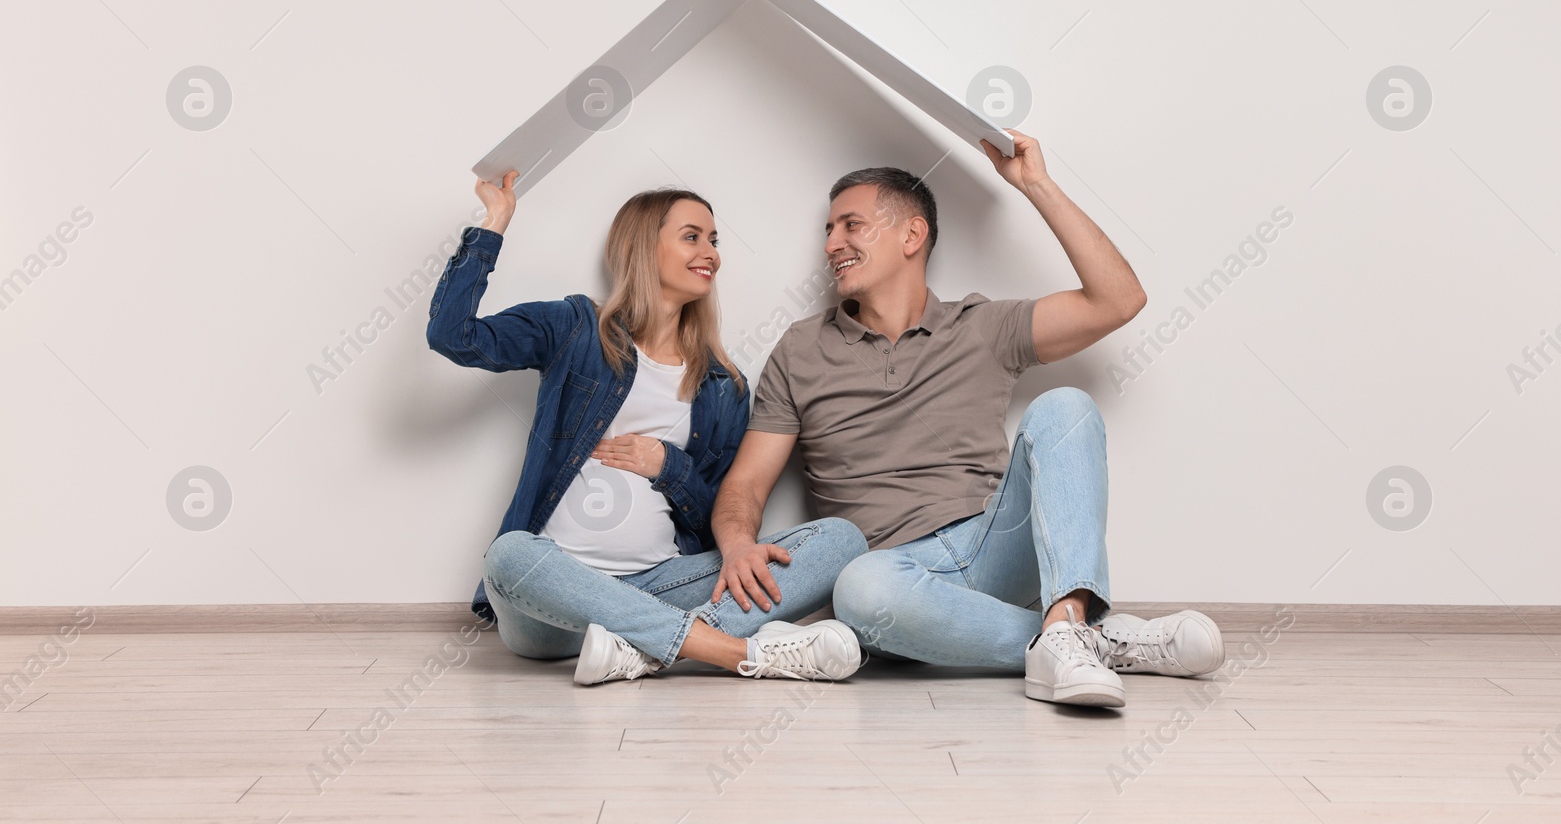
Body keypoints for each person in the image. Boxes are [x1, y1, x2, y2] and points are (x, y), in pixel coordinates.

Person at [709, 132, 1225, 707]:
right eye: (827, 231)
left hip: (995, 544)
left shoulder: (981, 325)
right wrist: (735, 544)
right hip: (894, 577)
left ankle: (1069, 621)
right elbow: (747, 483)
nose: (832, 244)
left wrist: (1037, 185)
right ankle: (1080, 642)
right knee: (857, 585)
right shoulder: (800, 349)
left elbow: (1119, 300)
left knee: (1067, 408)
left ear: (912, 234)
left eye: (850, 225)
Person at [426, 171, 868, 686]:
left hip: (657, 586)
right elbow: (454, 336)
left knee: (841, 540)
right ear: (642, 247)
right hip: (548, 604)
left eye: (714, 240)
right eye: (692, 237)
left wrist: (668, 466)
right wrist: (494, 223)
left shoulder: (722, 384)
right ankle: (733, 651)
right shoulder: (574, 328)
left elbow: (712, 521)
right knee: (509, 554)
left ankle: (638, 648)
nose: (712, 253)